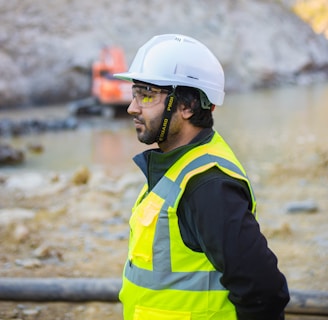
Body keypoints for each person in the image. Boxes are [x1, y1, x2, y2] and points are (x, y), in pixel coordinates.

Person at [114, 34, 290, 320]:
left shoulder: (208, 185)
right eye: (135, 93)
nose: (132, 107)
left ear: (188, 106)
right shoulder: (176, 166)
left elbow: (263, 291)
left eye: (146, 94)